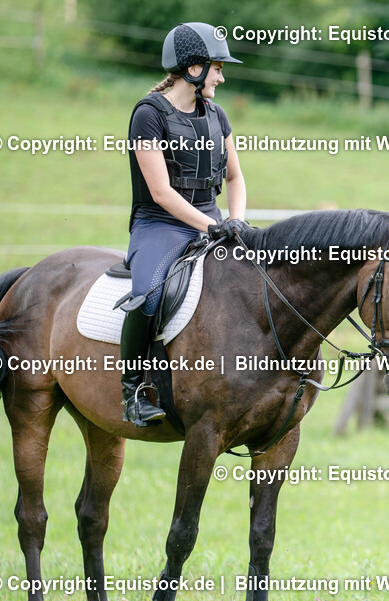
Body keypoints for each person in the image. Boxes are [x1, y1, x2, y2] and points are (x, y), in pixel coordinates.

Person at [122, 22, 251, 426]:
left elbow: (235, 178)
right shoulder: (147, 115)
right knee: (149, 294)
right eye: (217, 67)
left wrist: (237, 221)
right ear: (193, 68)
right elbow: (161, 192)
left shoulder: (217, 116)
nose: (222, 76)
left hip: (212, 222)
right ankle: (132, 390)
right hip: (159, 226)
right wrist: (210, 227)